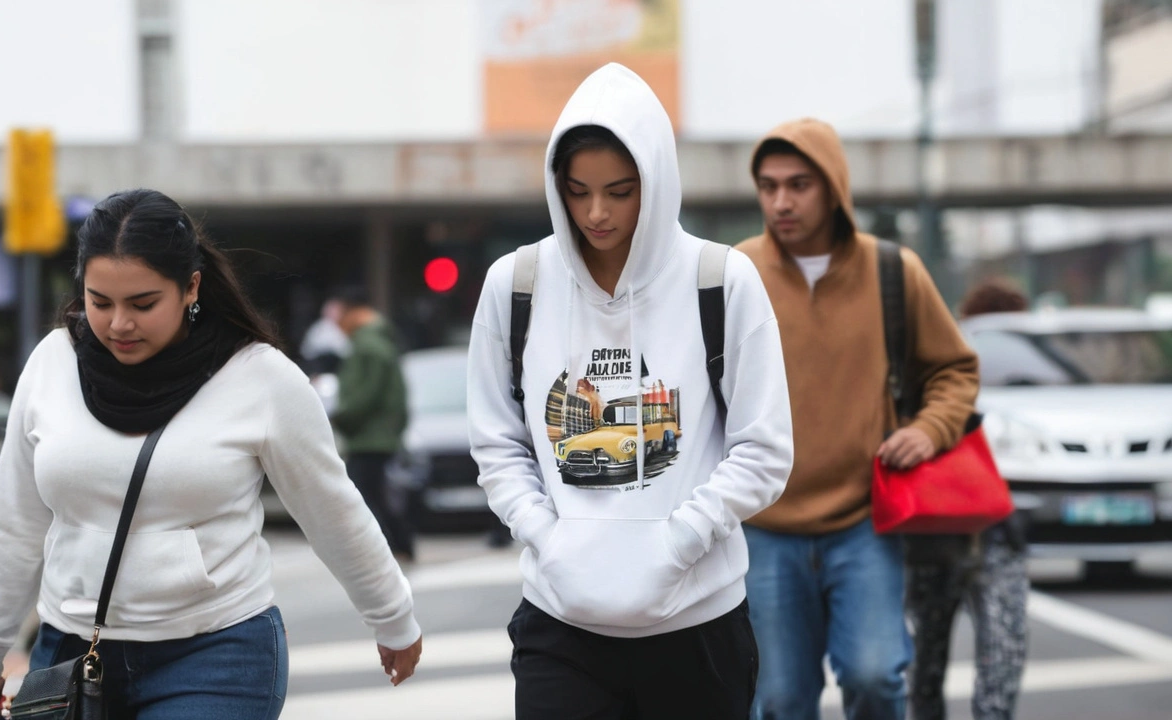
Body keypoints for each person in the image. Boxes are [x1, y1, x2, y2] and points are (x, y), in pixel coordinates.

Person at [0, 189, 423, 719]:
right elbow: (14, 516)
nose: (119, 324)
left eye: (143, 303)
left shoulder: (258, 377)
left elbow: (331, 507)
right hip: (73, 650)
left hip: (216, 652)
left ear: (190, 287)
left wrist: (391, 615)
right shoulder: (53, 363)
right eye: (99, 301)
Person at [467, 63, 794, 719]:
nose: (596, 213)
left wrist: (675, 545)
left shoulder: (721, 280)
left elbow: (763, 452)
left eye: (619, 191)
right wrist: (549, 540)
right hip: (562, 624)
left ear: (658, 180)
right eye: (578, 190)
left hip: (697, 628)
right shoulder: (517, 283)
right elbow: (496, 442)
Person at [734, 119, 979, 720]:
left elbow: (955, 370)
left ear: (834, 188)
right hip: (763, 527)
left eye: (798, 185)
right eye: (768, 186)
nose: (781, 202)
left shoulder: (894, 271)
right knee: (782, 699)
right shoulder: (734, 273)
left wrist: (927, 430)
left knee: (875, 679)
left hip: (865, 522)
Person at [906, 277, 1030, 720]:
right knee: (1000, 664)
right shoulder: (1033, 387)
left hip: (937, 529)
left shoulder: (933, 372)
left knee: (925, 666)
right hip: (989, 533)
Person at [328, 286, 415, 562]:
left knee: (363, 496)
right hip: (377, 435)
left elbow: (365, 395)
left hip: (370, 436)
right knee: (374, 495)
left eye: (340, 315)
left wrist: (343, 416)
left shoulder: (368, 346)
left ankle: (387, 548)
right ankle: (399, 545)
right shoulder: (376, 341)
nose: (337, 323)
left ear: (354, 312)